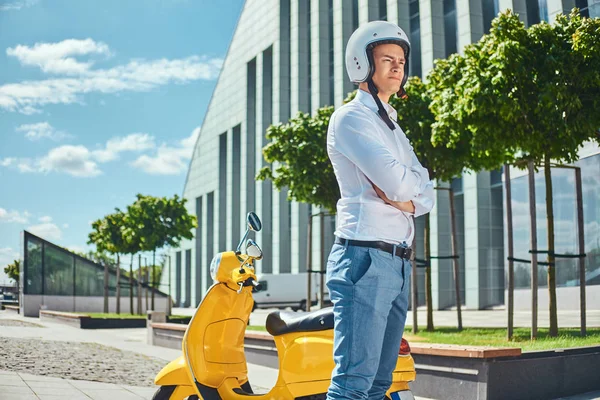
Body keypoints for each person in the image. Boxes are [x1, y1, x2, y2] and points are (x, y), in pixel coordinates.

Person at [325, 20, 435, 399]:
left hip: (398, 262)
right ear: (361, 64)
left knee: (378, 384)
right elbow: (405, 186)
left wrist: (408, 194)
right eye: (386, 59)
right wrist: (408, 192)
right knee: (353, 383)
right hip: (366, 257)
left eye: (401, 60)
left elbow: (425, 195)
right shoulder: (352, 119)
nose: (397, 67)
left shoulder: (392, 128)